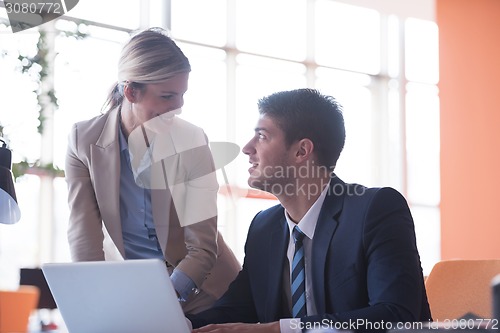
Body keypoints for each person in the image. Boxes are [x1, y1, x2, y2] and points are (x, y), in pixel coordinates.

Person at [187, 88, 432, 332]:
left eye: (262, 136)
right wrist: (174, 324)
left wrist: (278, 329)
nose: (247, 148)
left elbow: (395, 315)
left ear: (302, 151)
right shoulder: (264, 226)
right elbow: (236, 309)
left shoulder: (375, 210)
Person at [64, 27, 240, 314]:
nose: (178, 107)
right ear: (131, 91)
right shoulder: (84, 141)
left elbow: (203, 247)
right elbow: (84, 237)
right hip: (136, 294)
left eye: (182, 95)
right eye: (168, 96)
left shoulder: (191, 140)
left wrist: (162, 299)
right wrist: (93, 300)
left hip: (207, 293)